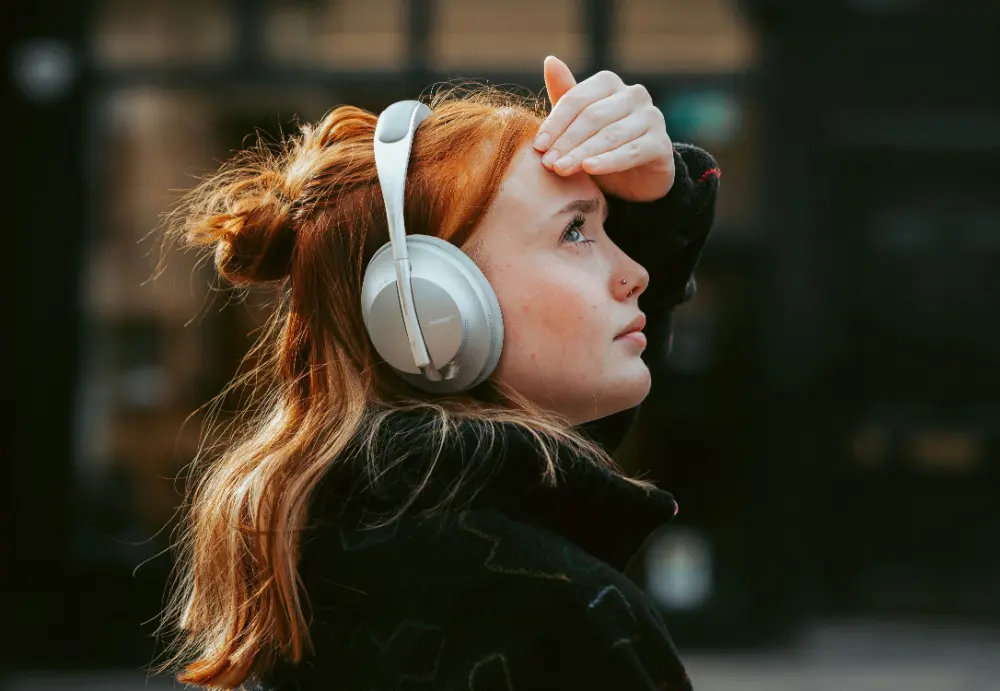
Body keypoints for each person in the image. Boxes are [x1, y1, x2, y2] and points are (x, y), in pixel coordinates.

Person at [156, 55, 720, 690]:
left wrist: (658, 198)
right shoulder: (560, 618)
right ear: (429, 307)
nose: (635, 273)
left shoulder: (319, 566)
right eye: (575, 232)